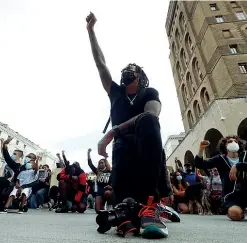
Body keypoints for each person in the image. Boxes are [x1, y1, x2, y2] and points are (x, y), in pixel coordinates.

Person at [86, 12, 169, 238]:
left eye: (133, 67)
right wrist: (91, 32)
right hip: (122, 154)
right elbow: (100, 63)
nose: (127, 69)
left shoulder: (150, 93)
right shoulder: (115, 92)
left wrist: (112, 131)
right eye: (125, 67)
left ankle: (151, 205)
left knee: (149, 120)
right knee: (127, 213)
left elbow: (151, 115)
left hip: (145, 152)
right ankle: (127, 212)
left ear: (140, 75)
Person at [195, 136, 247, 223]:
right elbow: (200, 164)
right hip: (231, 196)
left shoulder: (245, 155)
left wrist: (238, 166)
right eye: (230, 141)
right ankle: (241, 210)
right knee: (236, 214)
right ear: (225, 146)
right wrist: (201, 149)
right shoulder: (220, 159)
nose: (233, 142)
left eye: (235, 141)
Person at [0, 137, 38, 212]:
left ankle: (20, 205)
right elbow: (8, 159)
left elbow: (35, 182)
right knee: (0, 180)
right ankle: (1, 204)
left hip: (25, 189)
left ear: (34, 160)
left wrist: (22, 187)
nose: (27, 158)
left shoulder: (35, 172)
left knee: (16, 191)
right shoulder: (19, 167)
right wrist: (4, 146)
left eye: (30, 157)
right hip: (14, 185)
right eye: (27, 156)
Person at [87, 148, 112, 213]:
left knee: (108, 193)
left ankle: (110, 205)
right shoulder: (98, 172)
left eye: (102, 163)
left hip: (108, 191)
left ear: (105, 164)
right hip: (99, 193)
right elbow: (90, 164)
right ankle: (102, 204)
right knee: (98, 210)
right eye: (99, 163)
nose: (101, 164)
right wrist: (88, 153)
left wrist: (111, 187)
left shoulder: (111, 172)